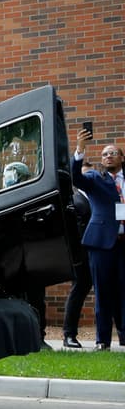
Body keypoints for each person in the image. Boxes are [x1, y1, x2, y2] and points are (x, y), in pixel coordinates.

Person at [71, 129, 125, 351]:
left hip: (124, 244)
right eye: (104, 154)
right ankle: (103, 340)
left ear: (122, 157)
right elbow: (76, 177)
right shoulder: (95, 178)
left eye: (112, 153)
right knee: (103, 292)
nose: (108, 156)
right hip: (101, 243)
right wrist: (80, 149)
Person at [62, 160, 94, 348]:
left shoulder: (97, 198)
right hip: (82, 257)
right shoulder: (75, 201)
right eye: (84, 175)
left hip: (100, 255)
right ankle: (69, 335)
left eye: (91, 175)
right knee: (78, 293)